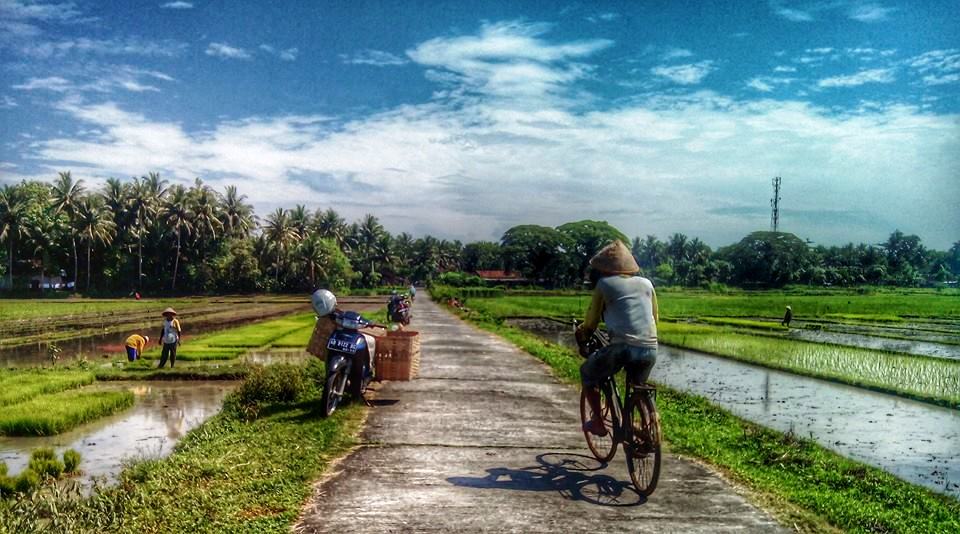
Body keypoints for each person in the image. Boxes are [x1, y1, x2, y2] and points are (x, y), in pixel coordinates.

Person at [576, 240, 658, 437]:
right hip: (650, 347)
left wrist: (583, 335)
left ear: (601, 270)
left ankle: (598, 422)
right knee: (636, 387)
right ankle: (641, 426)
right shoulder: (646, 283)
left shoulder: (604, 284)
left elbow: (591, 323)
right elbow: (655, 317)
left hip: (622, 347)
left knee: (588, 373)